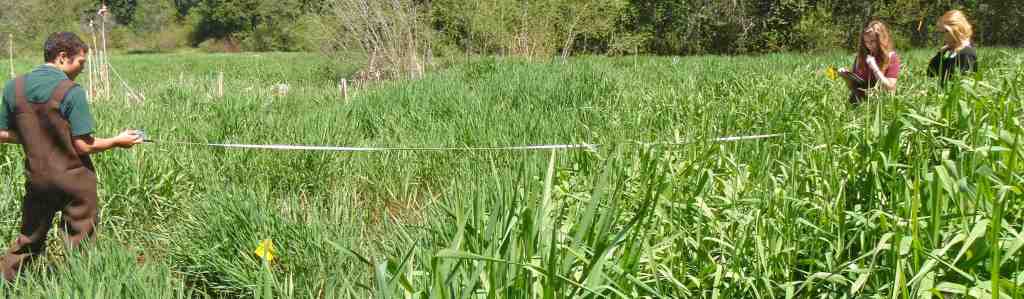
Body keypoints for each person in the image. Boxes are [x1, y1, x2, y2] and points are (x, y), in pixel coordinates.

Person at [0, 32, 142, 281]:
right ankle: (80, 287)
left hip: (37, 179)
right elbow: (84, 146)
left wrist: (33, 137)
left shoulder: (14, 87)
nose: (82, 69)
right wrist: (118, 141)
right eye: (81, 63)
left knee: (28, 240)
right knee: (81, 244)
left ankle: (5, 283)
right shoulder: (71, 91)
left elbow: (2, 133)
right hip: (74, 179)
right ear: (62, 57)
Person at [838, 20, 901, 104]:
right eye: (866, 42)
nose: (869, 45)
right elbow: (853, 87)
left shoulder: (891, 57)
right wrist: (846, 77)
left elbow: (889, 87)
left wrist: (874, 67)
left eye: (872, 41)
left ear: (881, 40)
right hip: (859, 103)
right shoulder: (860, 57)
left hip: (880, 104)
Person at [928, 10, 977, 87]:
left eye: (944, 32)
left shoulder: (966, 53)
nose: (942, 37)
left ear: (956, 31)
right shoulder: (950, 51)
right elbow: (930, 73)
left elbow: (962, 86)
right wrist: (940, 53)